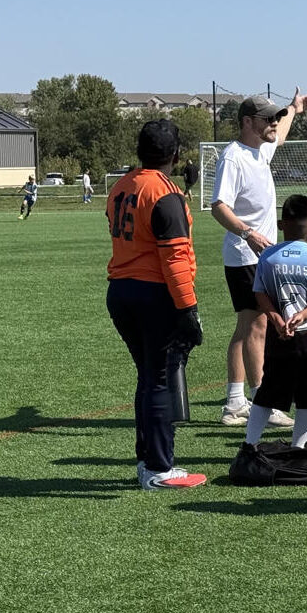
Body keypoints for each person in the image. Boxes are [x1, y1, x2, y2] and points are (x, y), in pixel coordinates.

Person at [210, 89, 307, 427]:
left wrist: (294, 109)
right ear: (247, 122)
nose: (274, 122)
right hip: (246, 255)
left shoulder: (260, 150)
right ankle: (259, 401)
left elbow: (281, 133)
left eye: (275, 117)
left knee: (249, 327)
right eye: (267, 118)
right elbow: (218, 207)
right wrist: (247, 233)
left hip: (260, 255)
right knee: (256, 326)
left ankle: (236, 402)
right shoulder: (234, 157)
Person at [106, 119, 206, 490]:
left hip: (120, 290)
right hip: (154, 294)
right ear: (176, 154)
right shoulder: (164, 193)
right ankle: (159, 468)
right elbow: (176, 259)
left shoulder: (121, 185)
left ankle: (148, 461)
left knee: (149, 377)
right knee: (160, 378)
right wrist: (188, 309)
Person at [244, 194, 307, 450]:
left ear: (280, 224)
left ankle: (250, 445)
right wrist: (306, 313)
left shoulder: (268, 257)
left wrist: (275, 317)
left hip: (280, 339)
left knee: (267, 395)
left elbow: (260, 293)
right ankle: (298, 448)